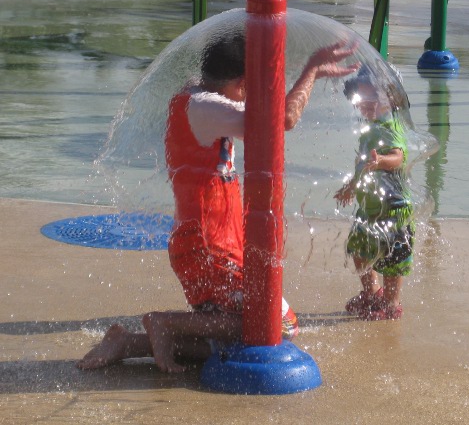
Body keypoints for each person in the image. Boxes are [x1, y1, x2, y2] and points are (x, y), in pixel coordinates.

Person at [77, 34, 359, 373]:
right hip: (208, 248)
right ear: (241, 83)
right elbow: (283, 120)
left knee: (232, 339)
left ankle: (127, 342)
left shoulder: (200, 97)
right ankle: (163, 323)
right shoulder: (205, 108)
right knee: (276, 325)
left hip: (209, 244)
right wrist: (311, 68)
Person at [334, 65, 414, 321]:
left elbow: (399, 158)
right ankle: (371, 292)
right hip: (370, 205)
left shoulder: (389, 126)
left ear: (391, 99)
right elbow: (362, 164)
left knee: (393, 259)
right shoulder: (370, 128)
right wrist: (351, 186)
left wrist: (381, 161)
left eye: (374, 99)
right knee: (359, 249)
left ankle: (391, 304)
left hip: (393, 206)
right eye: (363, 98)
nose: (367, 104)